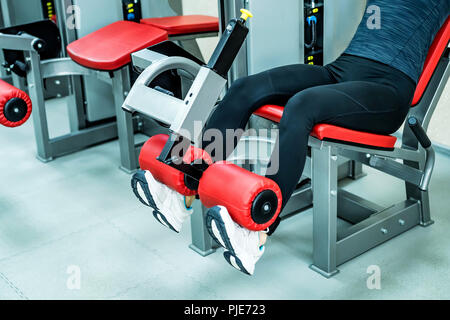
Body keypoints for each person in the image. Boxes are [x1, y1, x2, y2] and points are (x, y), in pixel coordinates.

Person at [132, 0, 450, 275]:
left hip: (387, 91)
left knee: (302, 106)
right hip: (344, 69)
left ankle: (257, 231)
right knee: (246, 87)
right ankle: (187, 183)